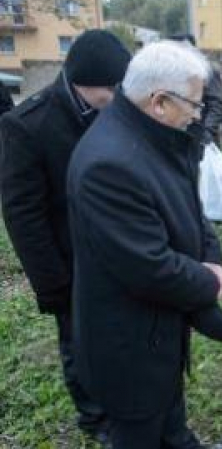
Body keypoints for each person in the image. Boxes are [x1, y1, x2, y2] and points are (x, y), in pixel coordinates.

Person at [66, 41, 222, 448]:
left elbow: (191, 207)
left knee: (170, 417)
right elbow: (149, 267)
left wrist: (212, 257)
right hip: (129, 344)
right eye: (194, 105)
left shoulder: (155, 136)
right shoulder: (107, 165)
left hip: (158, 334)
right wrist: (209, 282)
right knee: (141, 428)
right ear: (160, 101)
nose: (198, 114)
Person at [0, 30, 131, 445]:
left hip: (118, 254)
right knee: (80, 343)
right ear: (80, 80)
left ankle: (127, 402)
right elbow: (23, 213)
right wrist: (53, 284)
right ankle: (95, 418)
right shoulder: (27, 126)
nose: (116, 94)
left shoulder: (118, 111)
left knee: (119, 336)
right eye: (108, 87)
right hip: (70, 263)